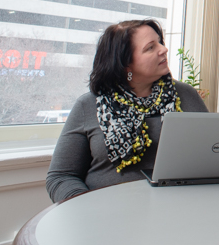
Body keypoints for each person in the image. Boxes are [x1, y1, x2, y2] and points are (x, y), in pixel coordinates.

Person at [46, 19, 207, 203]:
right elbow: (60, 177)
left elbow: (213, 156)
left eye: (160, 42)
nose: (163, 49)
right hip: (106, 215)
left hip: (177, 208)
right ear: (126, 65)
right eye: (150, 47)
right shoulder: (88, 105)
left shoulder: (186, 95)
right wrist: (86, 206)